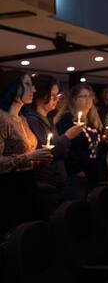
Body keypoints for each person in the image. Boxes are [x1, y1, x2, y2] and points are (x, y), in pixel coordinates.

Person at [0, 70, 52, 237]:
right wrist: (30, 157)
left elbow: (27, 155)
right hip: (9, 189)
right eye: (28, 84)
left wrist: (39, 159)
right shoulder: (2, 118)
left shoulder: (22, 118)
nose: (34, 90)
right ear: (14, 87)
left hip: (28, 184)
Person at [26, 74, 82, 219]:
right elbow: (47, 153)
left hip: (57, 183)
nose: (56, 99)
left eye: (57, 95)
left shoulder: (49, 119)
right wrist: (68, 137)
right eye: (52, 95)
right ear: (41, 94)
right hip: (45, 183)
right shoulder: (32, 120)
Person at [55, 84, 104, 200]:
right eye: (84, 96)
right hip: (76, 177)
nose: (88, 100)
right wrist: (77, 170)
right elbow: (66, 148)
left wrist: (106, 143)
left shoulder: (93, 122)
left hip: (93, 175)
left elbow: (95, 148)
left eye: (90, 96)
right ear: (74, 100)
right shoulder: (67, 119)